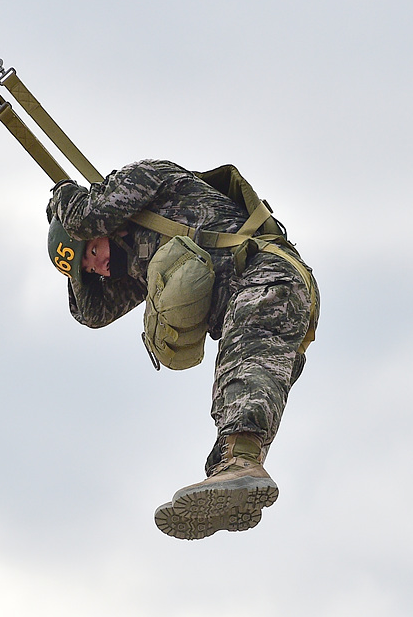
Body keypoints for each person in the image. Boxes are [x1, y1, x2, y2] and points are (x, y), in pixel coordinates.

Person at [46, 159, 319, 540]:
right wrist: (73, 254)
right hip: (264, 294)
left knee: (245, 361)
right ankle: (232, 472)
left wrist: (60, 197)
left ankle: (241, 464)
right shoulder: (143, 258)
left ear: (105, 226)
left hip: (266, 275)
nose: (99, 268)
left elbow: (83, 217)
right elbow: (92, 313)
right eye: (90, 271)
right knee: (234, 386)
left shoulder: (149, 179)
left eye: (92, 251)